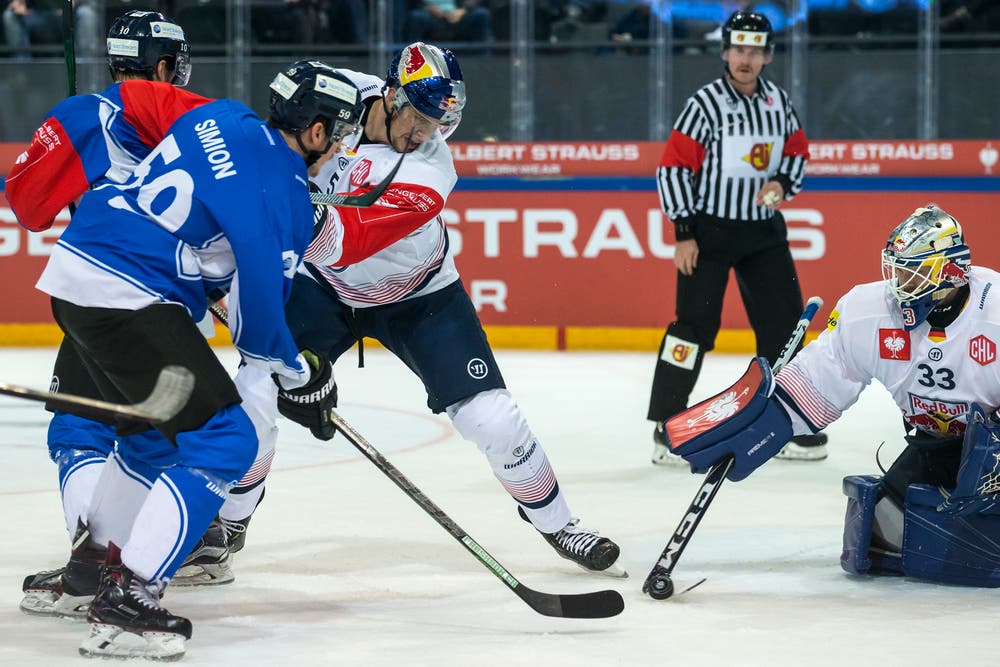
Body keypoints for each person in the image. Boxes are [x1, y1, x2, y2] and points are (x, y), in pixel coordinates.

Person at [227, 41, 625, 578]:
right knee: (256, 390)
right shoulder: (341, 93)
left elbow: (343, 242)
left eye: (438, 124)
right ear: (390, 96)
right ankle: (227, 524)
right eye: (417, 117)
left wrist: (272, 203)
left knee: (494, 419)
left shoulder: (430, 173)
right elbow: (283, 108)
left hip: (419, 295)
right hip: (325, 289)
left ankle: (559, 523)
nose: (424, 134)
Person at [25, 60, 366, 659]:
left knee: (151, 440)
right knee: (227, 442)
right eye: (337, 135)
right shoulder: (282, 191)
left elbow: (207, 231)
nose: (340, 149)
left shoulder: (221, 115)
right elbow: (260, 327)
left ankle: (87, 575)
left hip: (79, 277)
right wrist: (302, 375)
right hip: (129, 296)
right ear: (314, 132)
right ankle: (130, 602)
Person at [7, 9, 218, 619]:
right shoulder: (200, 124)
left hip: (108, 300)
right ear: (161, 66)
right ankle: (122, 562)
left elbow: (27, 208)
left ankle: (112, 569)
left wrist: (70, 156)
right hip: (182, 301)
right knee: (160, 439)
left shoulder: (89, 117)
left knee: (84, 432)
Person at [665, 205, 1000, 587]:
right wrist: (758, 425)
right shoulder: (868, 313)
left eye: (914, 271)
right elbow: (815, 382)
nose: (900, 282)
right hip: (934, 445)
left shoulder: (996, 314)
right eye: (897, 269)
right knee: (876, 538)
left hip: (994, 451)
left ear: (950, 271)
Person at [646, 9, 825, 467]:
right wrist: (683, 231)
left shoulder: (777, 102)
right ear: (726, 51)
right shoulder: (704, 104)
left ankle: (790, 420)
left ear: (767, 55)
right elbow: (673, 167)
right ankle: (668, 424)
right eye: (738, 49)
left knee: (785, 328)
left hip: (762, 231)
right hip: (708, 232)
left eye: (755, 50)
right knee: (692, 329)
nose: (746, 58)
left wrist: (782, 185)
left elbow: (797, 153)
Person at [404, 0, 492, 43]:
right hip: (431, 17)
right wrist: (429, 9)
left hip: (458, 17)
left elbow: (471, 3)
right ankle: (413, 63)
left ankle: (485, 59)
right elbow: (414, 3)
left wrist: (463, 10)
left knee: (482, 14)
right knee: (416, 16)